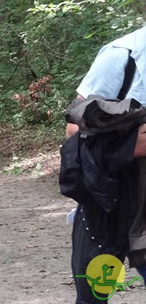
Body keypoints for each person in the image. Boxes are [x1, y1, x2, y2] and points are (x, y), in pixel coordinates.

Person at [63, 27, 146, 303]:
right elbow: (74, 130)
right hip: (111, 201)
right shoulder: (123, 57)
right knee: (95, 295)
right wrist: (127, 147)